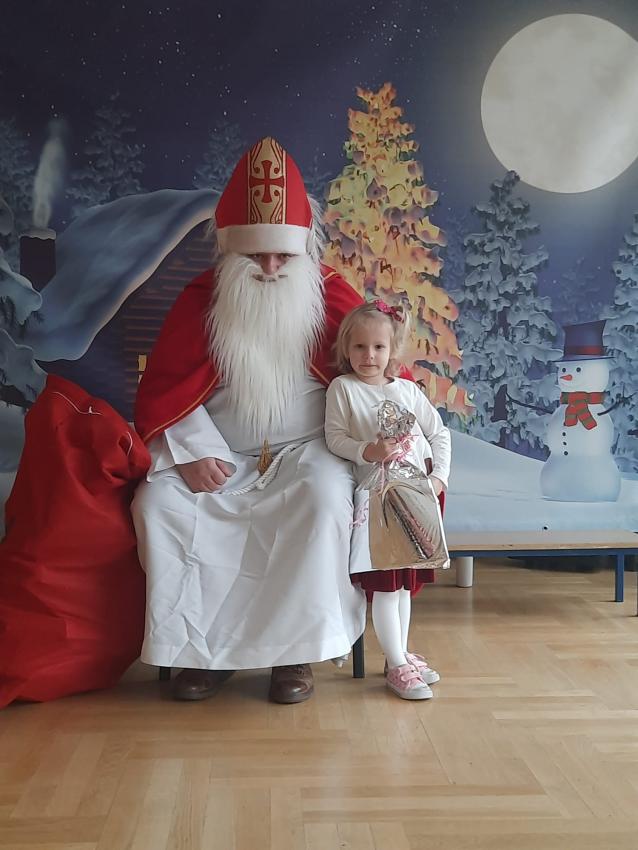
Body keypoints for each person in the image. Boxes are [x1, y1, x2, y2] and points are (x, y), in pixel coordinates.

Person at [132, 137, 367, 703]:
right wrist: (192, 451)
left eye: (282, 256)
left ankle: (294, 655)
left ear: (303, 251)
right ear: (230, 252)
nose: (269, 268)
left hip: (309, 451)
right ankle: (202, 655)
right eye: (255, 256)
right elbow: (164, 389)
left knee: (321, 500)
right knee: (159, 504)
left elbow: (376, 379)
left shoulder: (333, 297)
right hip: (215, 456)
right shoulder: (200, 301)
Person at [324, 300, 451, 700]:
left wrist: (439, 477)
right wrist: (367, 451)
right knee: (385, 587)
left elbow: (439, 433)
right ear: (346, 349)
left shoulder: (408, 391)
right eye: (360, 347)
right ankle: (396, 664)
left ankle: (400, 653)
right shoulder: (343, 389)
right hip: (376, 503)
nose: (369, 356)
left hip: (417, 500)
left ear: (392, 350)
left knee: (403, 586)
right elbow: (334, 437)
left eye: (378, 347)